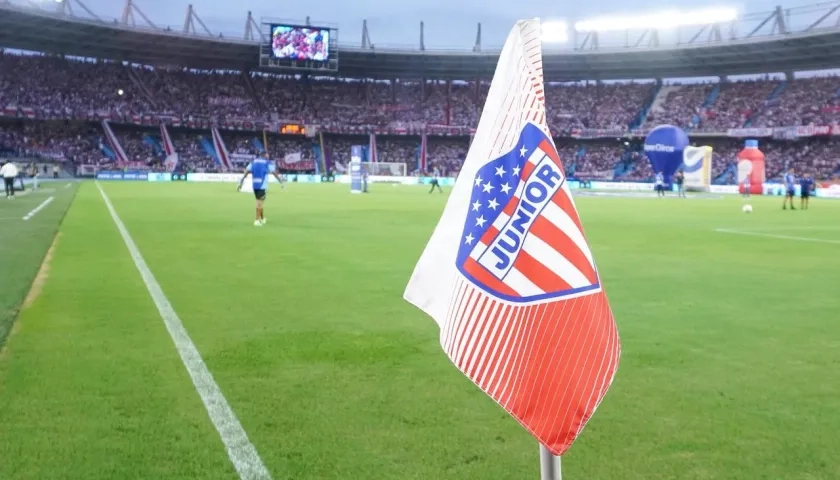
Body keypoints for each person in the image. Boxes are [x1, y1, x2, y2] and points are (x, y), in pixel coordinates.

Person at [237, 153, 284, 227]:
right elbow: (274, 172)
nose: (268, 156)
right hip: (262, 185)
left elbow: (247, 170)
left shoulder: (253, 161)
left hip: (255, 184)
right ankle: (256, 220)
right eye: (267, 155)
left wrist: (242, 180)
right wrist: (280, 180)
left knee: (260, 202)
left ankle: (262, 218)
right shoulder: (267, 162)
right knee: (259, 203)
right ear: (264, 155)